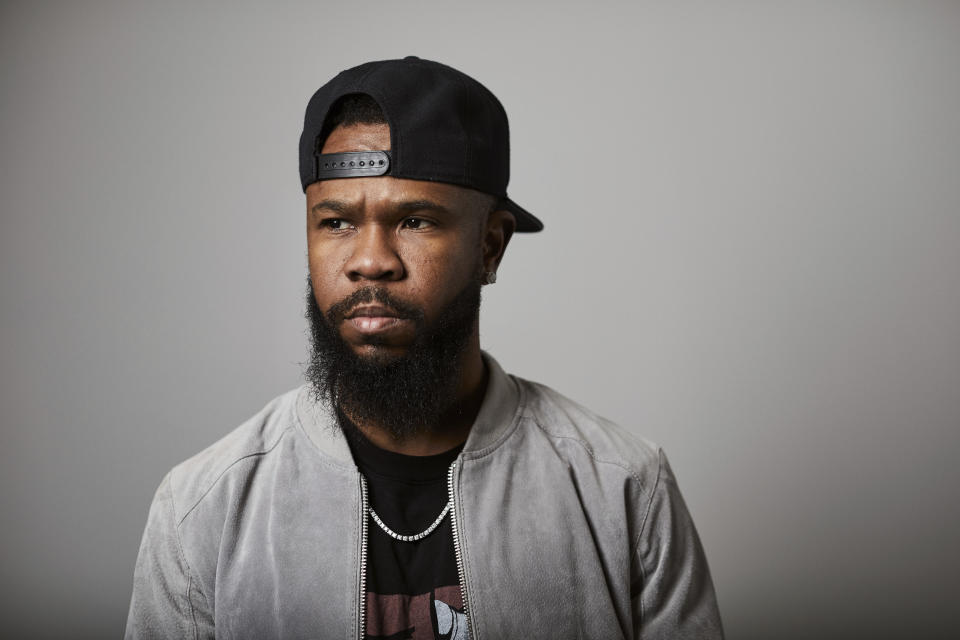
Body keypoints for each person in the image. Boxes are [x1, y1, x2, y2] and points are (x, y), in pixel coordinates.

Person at [125, 56, 724, 640]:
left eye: (415, 221)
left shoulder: (623, 490)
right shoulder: (203, 508)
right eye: (335, 222)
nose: (369, 262)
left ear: (490, 248)